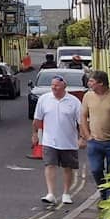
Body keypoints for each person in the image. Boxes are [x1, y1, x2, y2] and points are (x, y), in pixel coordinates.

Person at [32, 74, 83, 206]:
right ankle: (51, 193)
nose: (54, 87)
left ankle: (66, 193)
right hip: (49, 140)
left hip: (68, 141)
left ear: (64, 86)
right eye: (52, 85)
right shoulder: (44, 99)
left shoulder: (74, 102)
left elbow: (81, 122)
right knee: (49, 165)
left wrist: (82, 138)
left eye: (57, 85)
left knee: (68, 167)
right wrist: (35, 134)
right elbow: (37, 119)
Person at [79, 69, 110, 202]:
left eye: (91, 81)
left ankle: (109, 198)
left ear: (101, 83)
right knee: (95, 169)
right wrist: (87, 136)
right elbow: (83, 116)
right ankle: (103, 191)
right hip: (94, 141)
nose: (89, 83)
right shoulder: (88, 96)